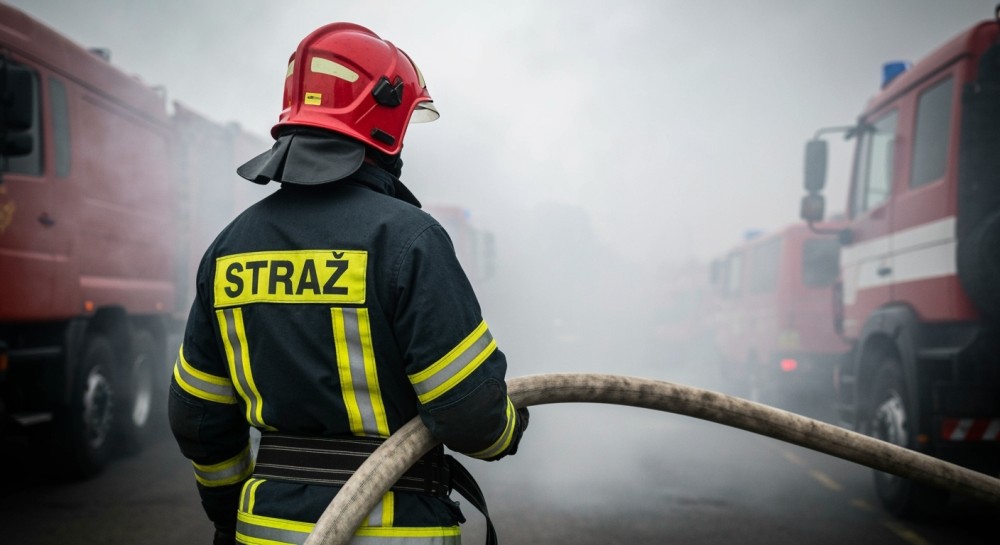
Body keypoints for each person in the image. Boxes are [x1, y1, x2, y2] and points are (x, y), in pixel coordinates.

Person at [168, 22, 528, 545]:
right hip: (394, 533)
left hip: (263, 531)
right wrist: (507, 430)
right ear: (384, 117)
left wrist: (229, 513)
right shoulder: (409, 239)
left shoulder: (230, 246)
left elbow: (196, 416)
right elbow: (470, 417)